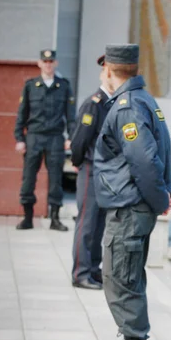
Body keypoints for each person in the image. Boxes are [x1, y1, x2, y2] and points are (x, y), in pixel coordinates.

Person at [93, 44, 171, 340]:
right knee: (128, 276)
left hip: (129, 206)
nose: (101, 76)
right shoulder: (143, 100)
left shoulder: (126, 106)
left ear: (110, 71)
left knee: (120, 278)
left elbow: (143, 160)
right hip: (133, 204)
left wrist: (159, 200)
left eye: (103, 70)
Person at [14, 49, 76, 231]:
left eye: (51, 62)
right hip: (34, 137)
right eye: (45, 61)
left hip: (55, 138)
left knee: (56, 179)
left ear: (55, 63)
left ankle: (55, 218)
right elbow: (21, 114)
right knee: (28, 179)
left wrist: (71, 137)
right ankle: (27, 218)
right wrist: (20, 138)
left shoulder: (64, 86)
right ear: (39, 63)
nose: (48, 65)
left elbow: (70, 116)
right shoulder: (30, 86)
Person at [71, 54, 114, 290]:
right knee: (86, 224)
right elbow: (80, 140)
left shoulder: (113, 102)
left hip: (105, 171)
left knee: (98, 225)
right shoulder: (94, 103)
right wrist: (78, 162)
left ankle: (93, 268)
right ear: (104, 72)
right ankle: (80, 272)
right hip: (90, 169)